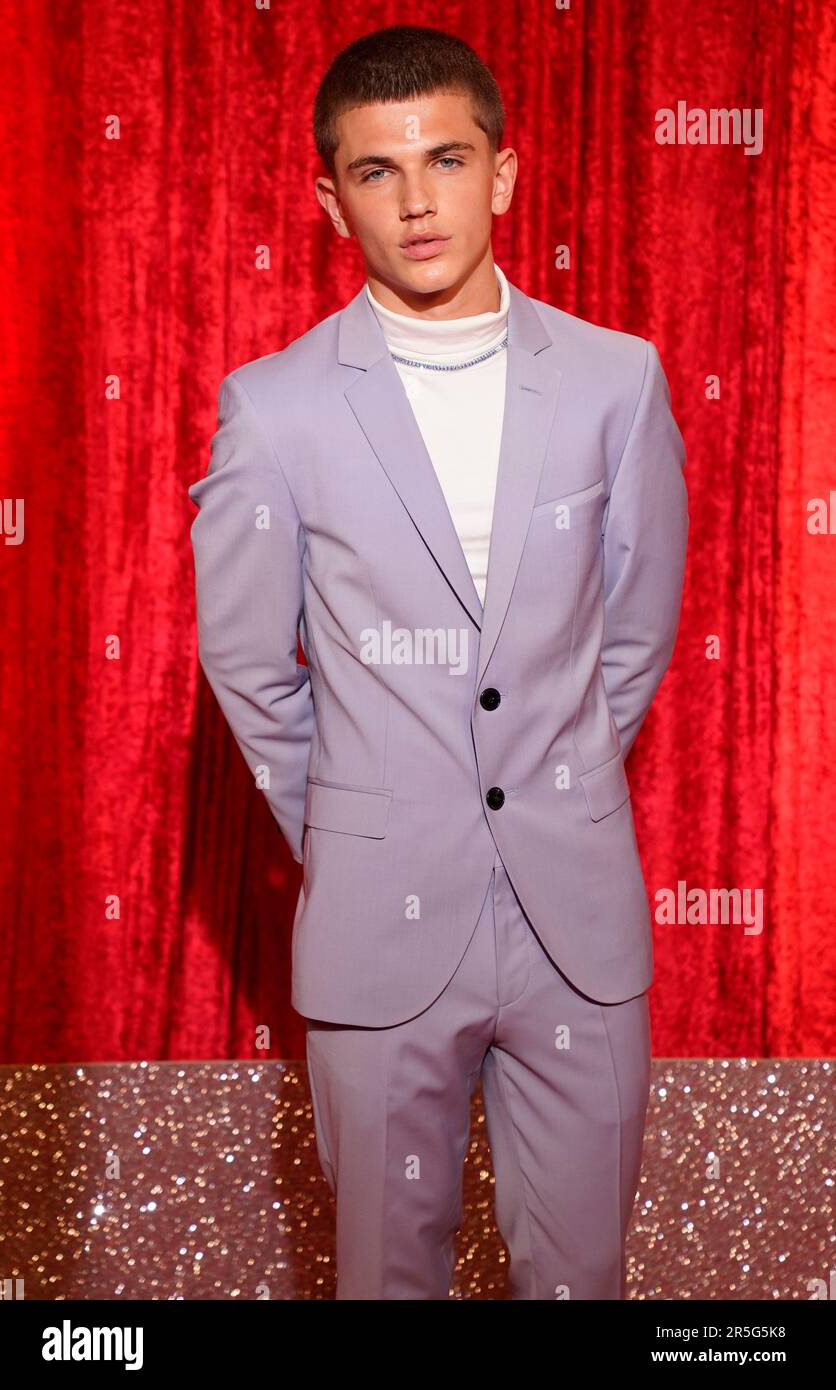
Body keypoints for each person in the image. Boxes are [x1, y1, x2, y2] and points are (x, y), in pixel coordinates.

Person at [188, 23, 689, 1300]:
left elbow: (629, 635)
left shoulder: (614, 382)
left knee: (582, 1278)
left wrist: (552, 778)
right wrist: (368, 824)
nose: (417, 201)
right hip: (377, 927)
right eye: (375, 171)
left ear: (504, 174)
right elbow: (250, 667)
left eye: (447, 158)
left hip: (575, 920)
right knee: (383, 1282)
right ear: (326, 195)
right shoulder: (276, 406)